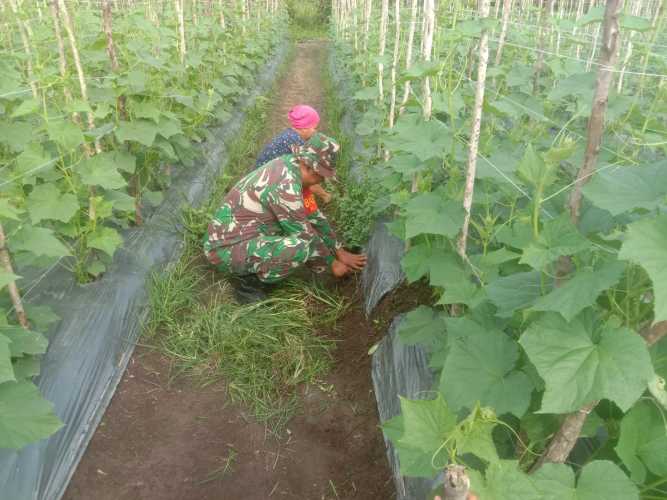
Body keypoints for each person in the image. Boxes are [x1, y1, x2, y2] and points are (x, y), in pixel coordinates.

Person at [204, 132, 366, 303]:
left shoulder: (292, 166)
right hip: (223, 250)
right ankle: (250, 285)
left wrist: (339, 251)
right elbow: (305, 235)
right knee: (300, 247)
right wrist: (333, 264)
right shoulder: (285, 187)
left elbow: (314, 216)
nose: (323, 181)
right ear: (311, 169)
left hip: (241, 235)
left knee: (297, 233)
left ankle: (257, 262)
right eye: (322, 176)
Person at [255, 104, 332, 208]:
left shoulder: (289, 135)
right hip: (265, 186)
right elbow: (306, 177)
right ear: (305, 128)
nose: (316, 131)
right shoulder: (297, 144)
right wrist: (325, 195)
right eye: (315, 128)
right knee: (303, 182)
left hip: (259, 178)